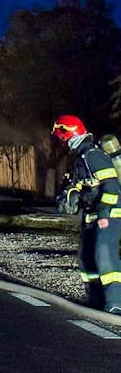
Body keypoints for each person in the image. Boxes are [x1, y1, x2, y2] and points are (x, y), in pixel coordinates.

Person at [52, 115, 121, 314]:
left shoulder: (92, 155)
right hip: (91, 215)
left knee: (104, 254)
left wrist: (105, 213)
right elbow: (83, 186)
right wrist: (71, 194)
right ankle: (95, 300)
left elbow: (112, 187)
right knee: (86, 258)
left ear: (67, 134)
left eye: (61, 137)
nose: (61, 142)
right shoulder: (80, 157)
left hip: (109, 214)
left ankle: (116, 302)